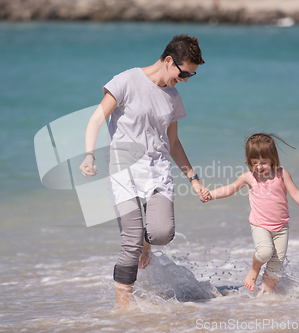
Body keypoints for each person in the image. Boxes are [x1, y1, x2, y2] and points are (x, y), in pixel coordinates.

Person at [79, 34, 208, 309]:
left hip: (157, 170)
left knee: (161, 233)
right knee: (131, 239)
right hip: (122, 170)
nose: (184, 80)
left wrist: (193, 179)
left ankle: (146, 244)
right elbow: (96, 119)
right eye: (184, 73)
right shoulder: (127, 81)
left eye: (191, 77)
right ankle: (123, 308)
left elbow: (173, 142)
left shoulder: (173, 97)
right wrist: (89, 155)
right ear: (169, 61)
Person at [204, 133, 299, 293]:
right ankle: (254, 269)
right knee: (265, 252)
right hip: (260, 226)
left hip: (281, 228)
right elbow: (230, 189)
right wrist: (211, 194)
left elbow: (295, 193)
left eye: (263, 162)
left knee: (276, 265)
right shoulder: (249, 177)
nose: (259, 167)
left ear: (273, 159)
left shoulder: (281, 174)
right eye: (254, 163)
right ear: (248, 161)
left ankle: (264, 296)